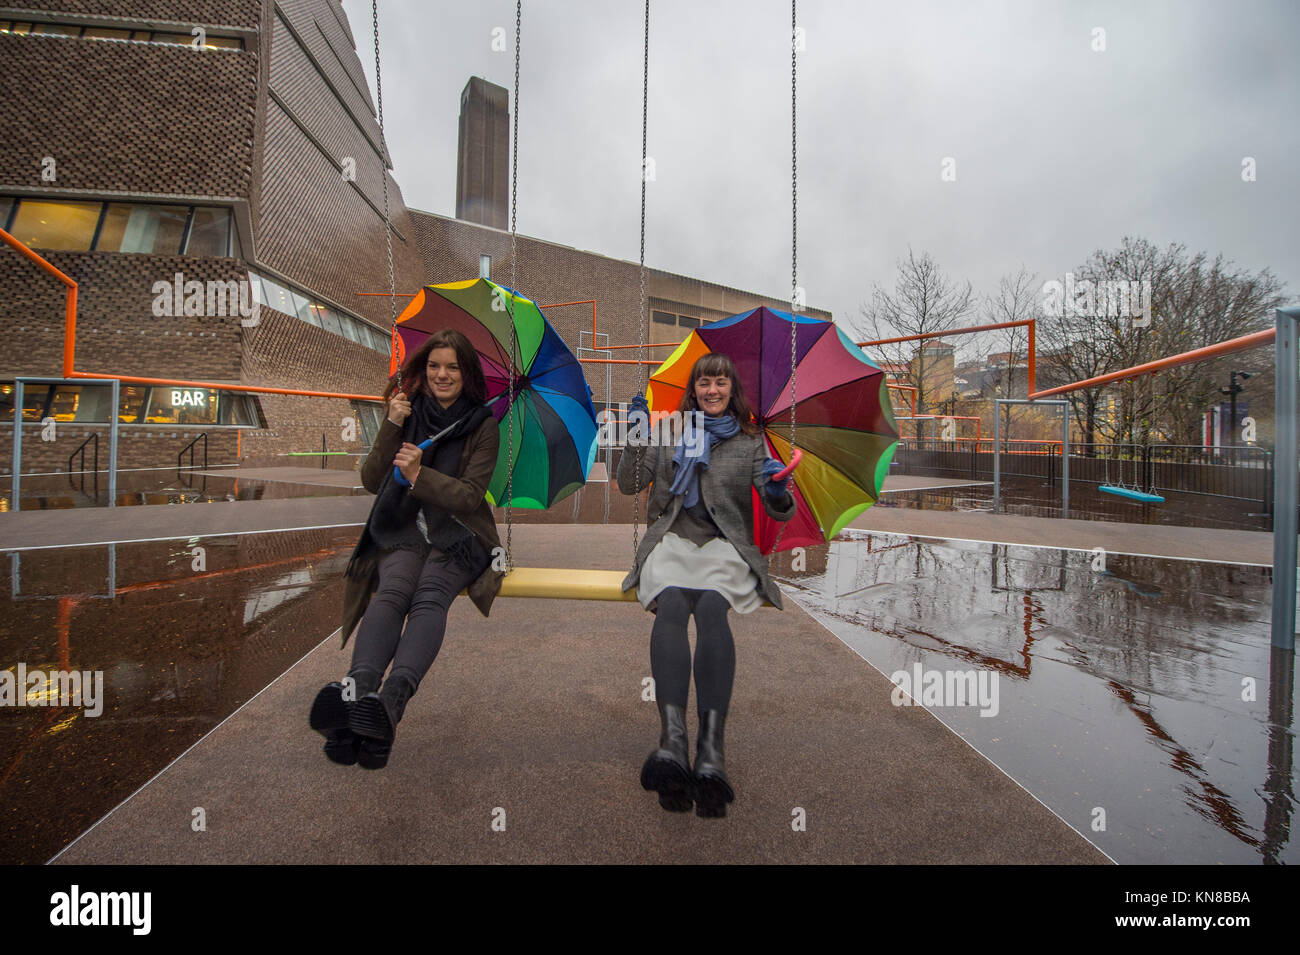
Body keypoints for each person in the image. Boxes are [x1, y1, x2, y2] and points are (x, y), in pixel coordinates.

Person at [309, 328, 504, 769]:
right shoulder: (407, 412)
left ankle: (391, 701)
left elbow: (470, 497)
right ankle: (358, 694)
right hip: (405, 530)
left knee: (430, 595)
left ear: (467, 373)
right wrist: (392, 424)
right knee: (394, 590)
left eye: (452, 366)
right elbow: (373, 479)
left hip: (460, 536)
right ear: (423, 368)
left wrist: (420, 476)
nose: (442, 374)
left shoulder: (482, 426)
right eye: (434, 365)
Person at [615, 353, 796, 817]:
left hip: (722, 545)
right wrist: (634, 435)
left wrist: (778, 491)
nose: (712, 391)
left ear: (732, 390)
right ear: (693, 390)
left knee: (713, 609)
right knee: (672, 605)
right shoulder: (668, 431)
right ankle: (672, 743)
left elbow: (779, 508)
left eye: (720, 383)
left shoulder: (750, 442)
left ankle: (711, 751)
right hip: (672, 540)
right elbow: (628, 483)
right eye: (704, 383)